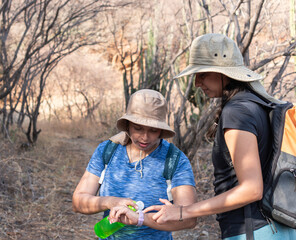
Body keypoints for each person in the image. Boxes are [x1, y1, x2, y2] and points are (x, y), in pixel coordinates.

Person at [144, 33, 296, 240]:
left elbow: (252, 189)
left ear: (223, 73)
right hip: (276, 228)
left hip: (254, 231)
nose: (197, 82)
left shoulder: (237, 112)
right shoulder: (257, 104)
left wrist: (183, 211)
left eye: (203, 74)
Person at [72, 89, 197, 239]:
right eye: (138, 128)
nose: (145, 137)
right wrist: (110, 202)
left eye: (153, 130)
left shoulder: (175, 160)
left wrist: (141, 219)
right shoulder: (107, 150)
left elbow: (189, 219)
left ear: (161, 130)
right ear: (128, 124)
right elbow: (78, 202)